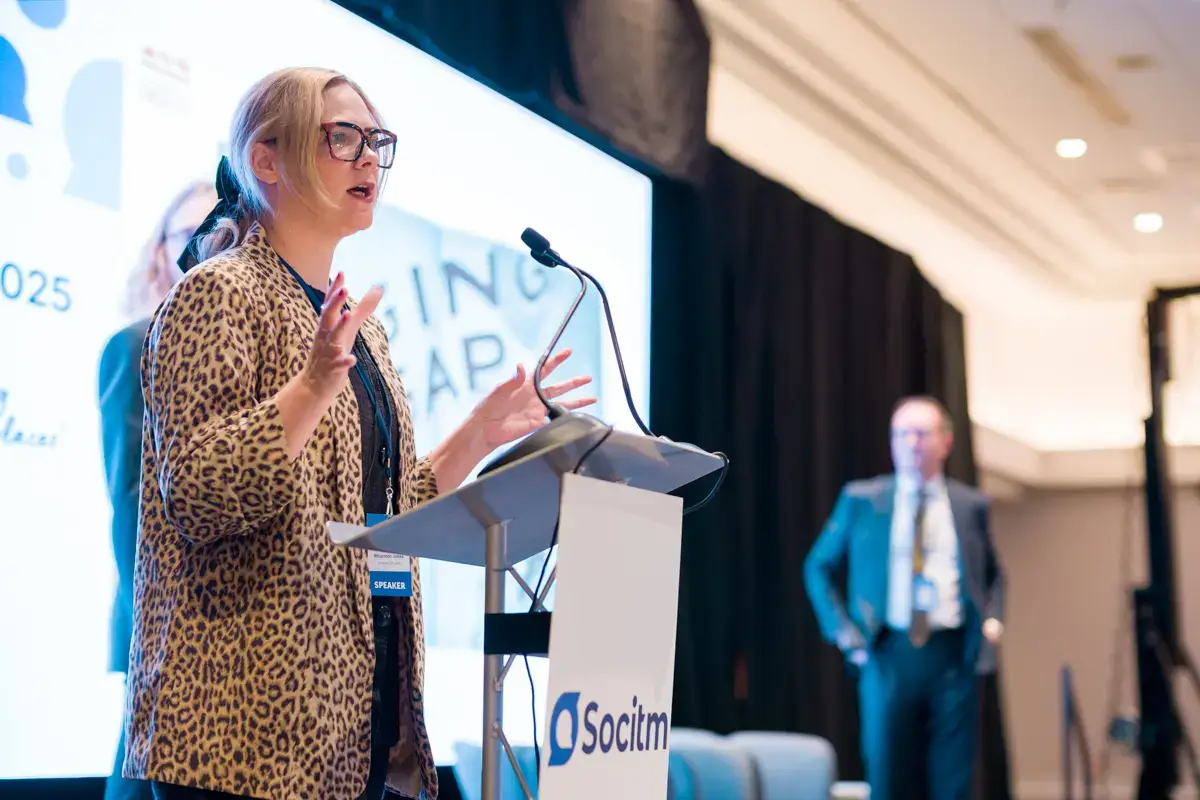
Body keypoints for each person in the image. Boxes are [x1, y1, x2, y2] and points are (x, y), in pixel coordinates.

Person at [121, 67, 594, 800]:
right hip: (242, 733)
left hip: (355, 719)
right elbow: (198, 495)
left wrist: (481, 431)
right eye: (344, 137)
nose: (369, 157)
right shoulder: (217, 292)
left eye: (378, 142)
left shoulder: (361, 328)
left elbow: (394, 513)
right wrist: (310, 388)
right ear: (266, 160)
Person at [803, 395, 1005, 800]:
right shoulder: (863, 500)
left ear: (945, 442)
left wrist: (993, 621)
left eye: (922, 433)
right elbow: (818, 567)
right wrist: (845, 634)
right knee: (889, 776)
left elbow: (995, 575)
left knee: (953, 782)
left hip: (952, 658)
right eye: (902, 434)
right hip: (888, 655)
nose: (912, 442)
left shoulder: (970, 505)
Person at [98, 180, 217, 800]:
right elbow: (128, 507)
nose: (206, 248)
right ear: (160, 252)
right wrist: (157, 626)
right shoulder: (135, 347)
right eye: (188, 234)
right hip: (163, 625)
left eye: (220, 233)